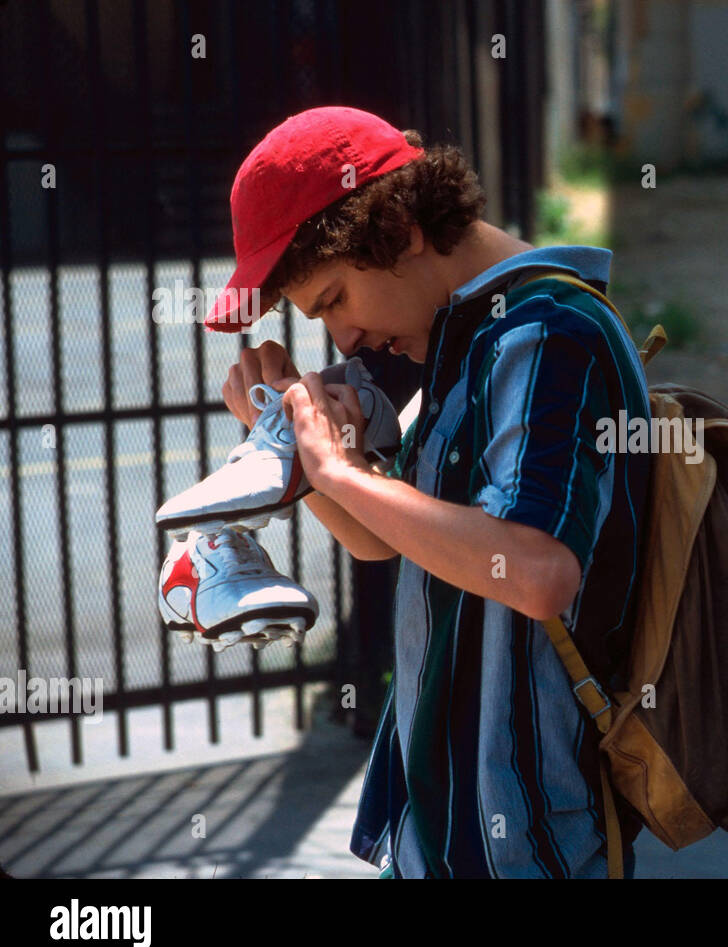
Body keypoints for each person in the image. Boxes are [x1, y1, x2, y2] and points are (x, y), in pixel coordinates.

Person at [205, 106, 650, 878]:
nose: (341, 339)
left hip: (521, 839)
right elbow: (393, 541)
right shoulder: (469, 335)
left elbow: (537, 571)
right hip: (447, 826)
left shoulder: (547, 334)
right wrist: (307, 458)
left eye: (335, 298)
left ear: (402, 227)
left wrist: (342, 471)